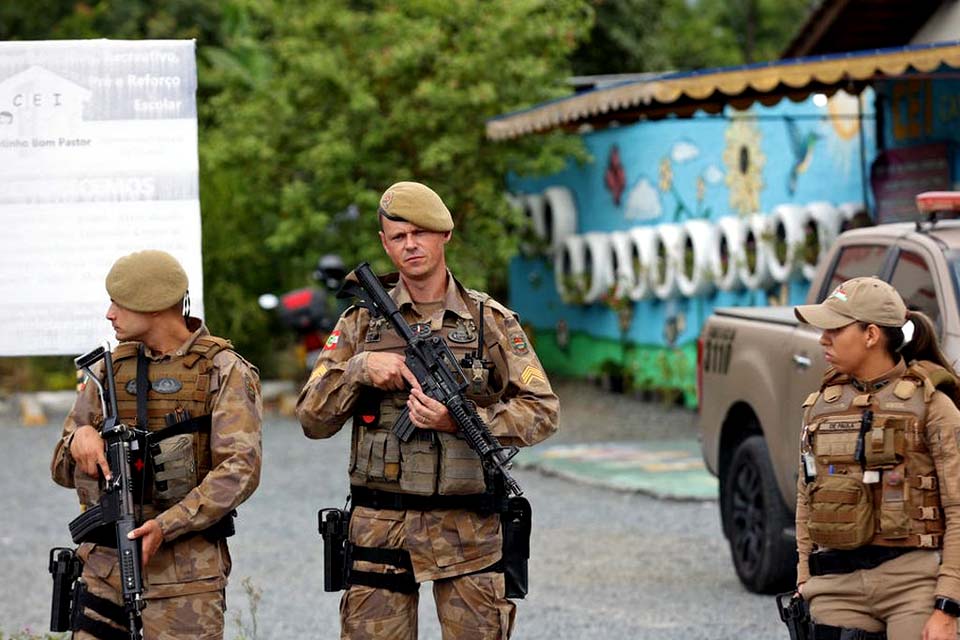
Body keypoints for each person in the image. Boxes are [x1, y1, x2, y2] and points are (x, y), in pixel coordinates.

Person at [297, 181, 559, 639]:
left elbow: (542, 411)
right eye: (398, 236)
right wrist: (358, 368)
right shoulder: (360, 323)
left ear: (445, 235)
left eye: (420, 233)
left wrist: (460, 421)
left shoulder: (489, 322)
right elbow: (312, 420)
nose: (410, 245)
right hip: (380, 530)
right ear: (384, 243)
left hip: (467, 531)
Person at [51, 249, 263, 639]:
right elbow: (61, 469)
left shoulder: (223, 370)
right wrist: (79, 440)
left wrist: (166, 526)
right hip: (104, 570)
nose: (109, 314)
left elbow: (239, 471)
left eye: (119, 303)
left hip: (185, 579)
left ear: (153, 307)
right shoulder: (108, 370)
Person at [794, 276, 960, 640]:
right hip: (835, 586)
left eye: (835, 329)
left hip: (913, 585)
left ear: (871, 335)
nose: (823, 338)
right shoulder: (820, 407)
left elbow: (958, 507)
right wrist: (804, 579)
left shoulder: (933, 406)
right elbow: (807, 497)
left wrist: (948, 604)